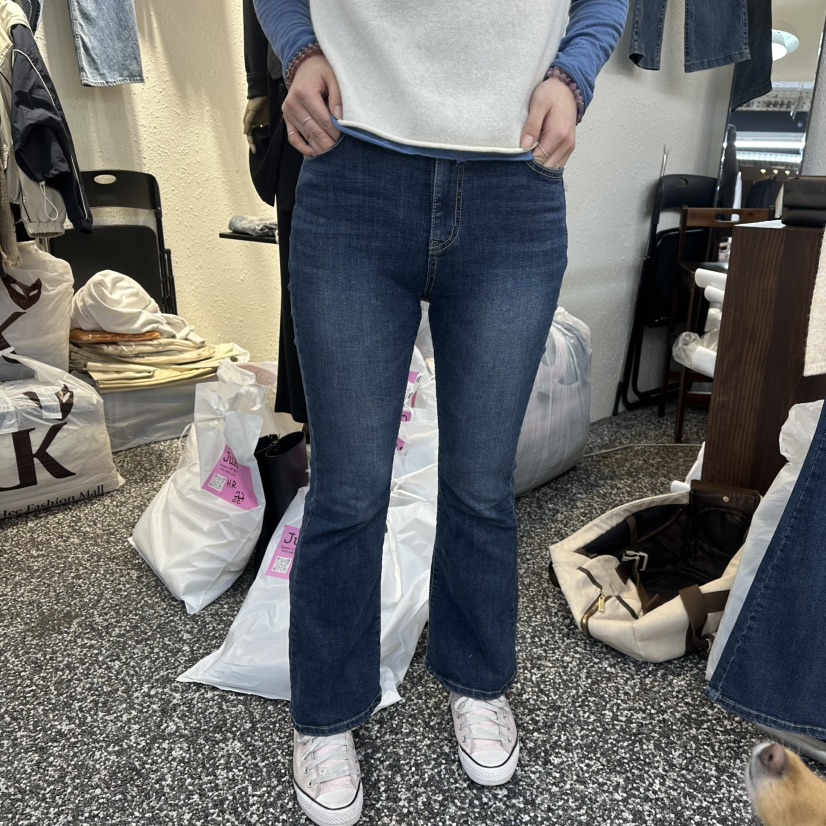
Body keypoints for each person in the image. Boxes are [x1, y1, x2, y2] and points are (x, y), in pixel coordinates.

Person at [252, 2, 627, 824]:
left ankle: (478, 682)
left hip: (514, 186)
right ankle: (327, 712)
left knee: (482, 485)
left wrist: (573, 75)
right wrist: (299, 47)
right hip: (353, 167)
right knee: (348, 488)